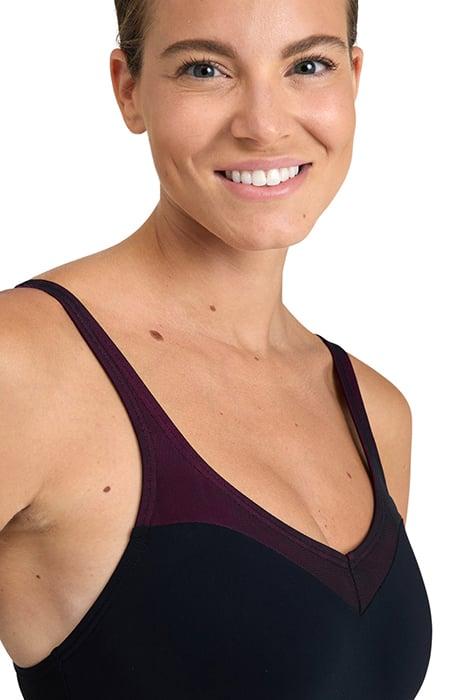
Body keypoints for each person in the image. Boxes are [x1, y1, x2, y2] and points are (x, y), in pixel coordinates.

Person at [0, 1, 432, 698]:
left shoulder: (377, 414)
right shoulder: (23, 365)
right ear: (129, 89)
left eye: (308, 65)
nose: (263, 124)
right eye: (205, 69)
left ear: (353, 79)